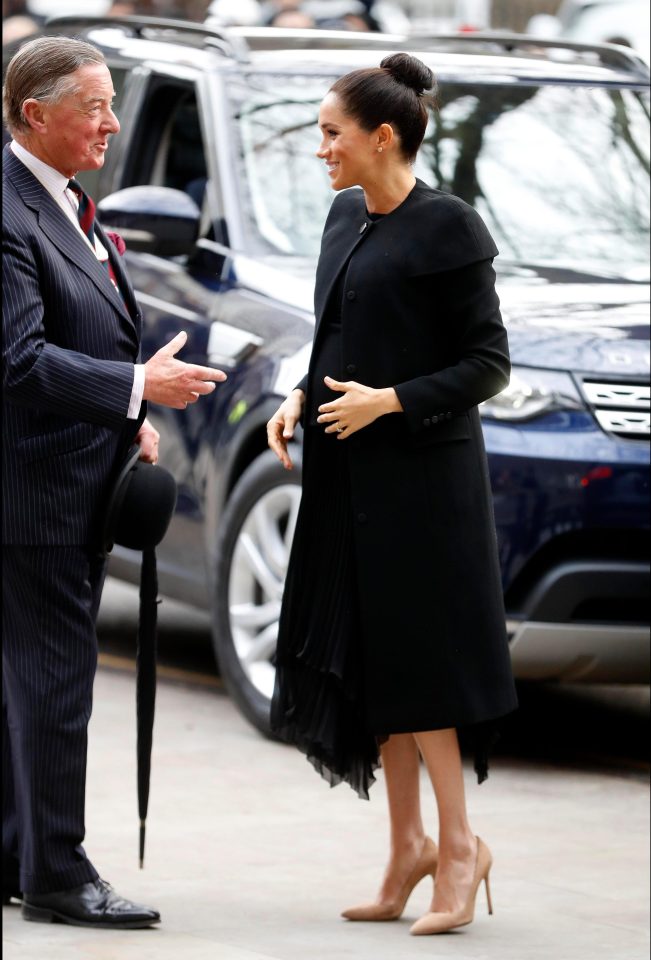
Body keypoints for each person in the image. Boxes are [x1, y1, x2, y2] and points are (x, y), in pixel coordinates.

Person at [267, 53, 518, 937]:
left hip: (421, 480)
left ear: (382, 137)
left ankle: (459, 849)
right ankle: (406, 847)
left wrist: (392, 401)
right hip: (346, 473)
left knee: (423, 669)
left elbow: (488, 364)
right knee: (374, 663)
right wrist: (301, 395)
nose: (320, 149)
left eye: (330, 134)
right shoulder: (346, 217)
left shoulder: (448, 227)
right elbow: (337, 328)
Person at [2, 36, 227, 928]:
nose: (111, 122)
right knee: (54, 686)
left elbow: (75, 335)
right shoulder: (10, 211)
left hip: (72, 482)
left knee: (27, 684)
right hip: (34, 498)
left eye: (109, 103)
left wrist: (125, 413)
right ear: (35, 116)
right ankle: (57, 874)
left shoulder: (64, 201)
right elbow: (17, 362)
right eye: (93, 106)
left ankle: (20, 851)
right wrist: (139, 386)